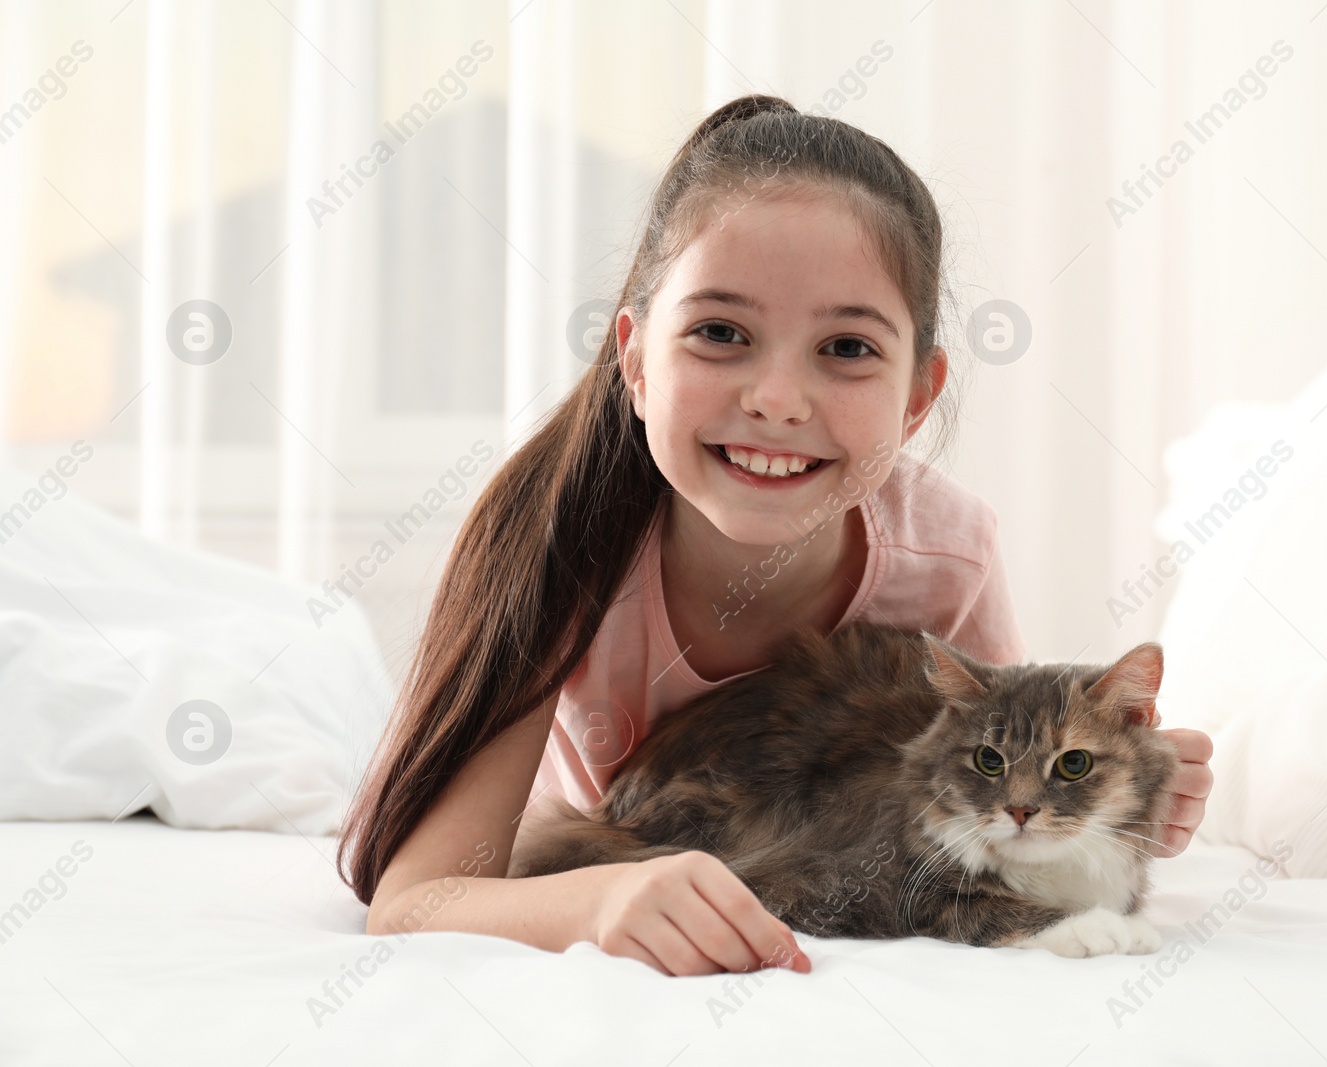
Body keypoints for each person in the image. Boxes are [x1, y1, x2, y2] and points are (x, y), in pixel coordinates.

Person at [336, 94, 1214, 978]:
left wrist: (1137, 803)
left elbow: (997, 801)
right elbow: (417, 900)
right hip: (634, 838)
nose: (777, 399)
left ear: (918, 396)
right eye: (721, 333)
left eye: (846, 348)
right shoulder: (555, 540)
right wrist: (601, 899)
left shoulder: (950, 552)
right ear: (637, 361)